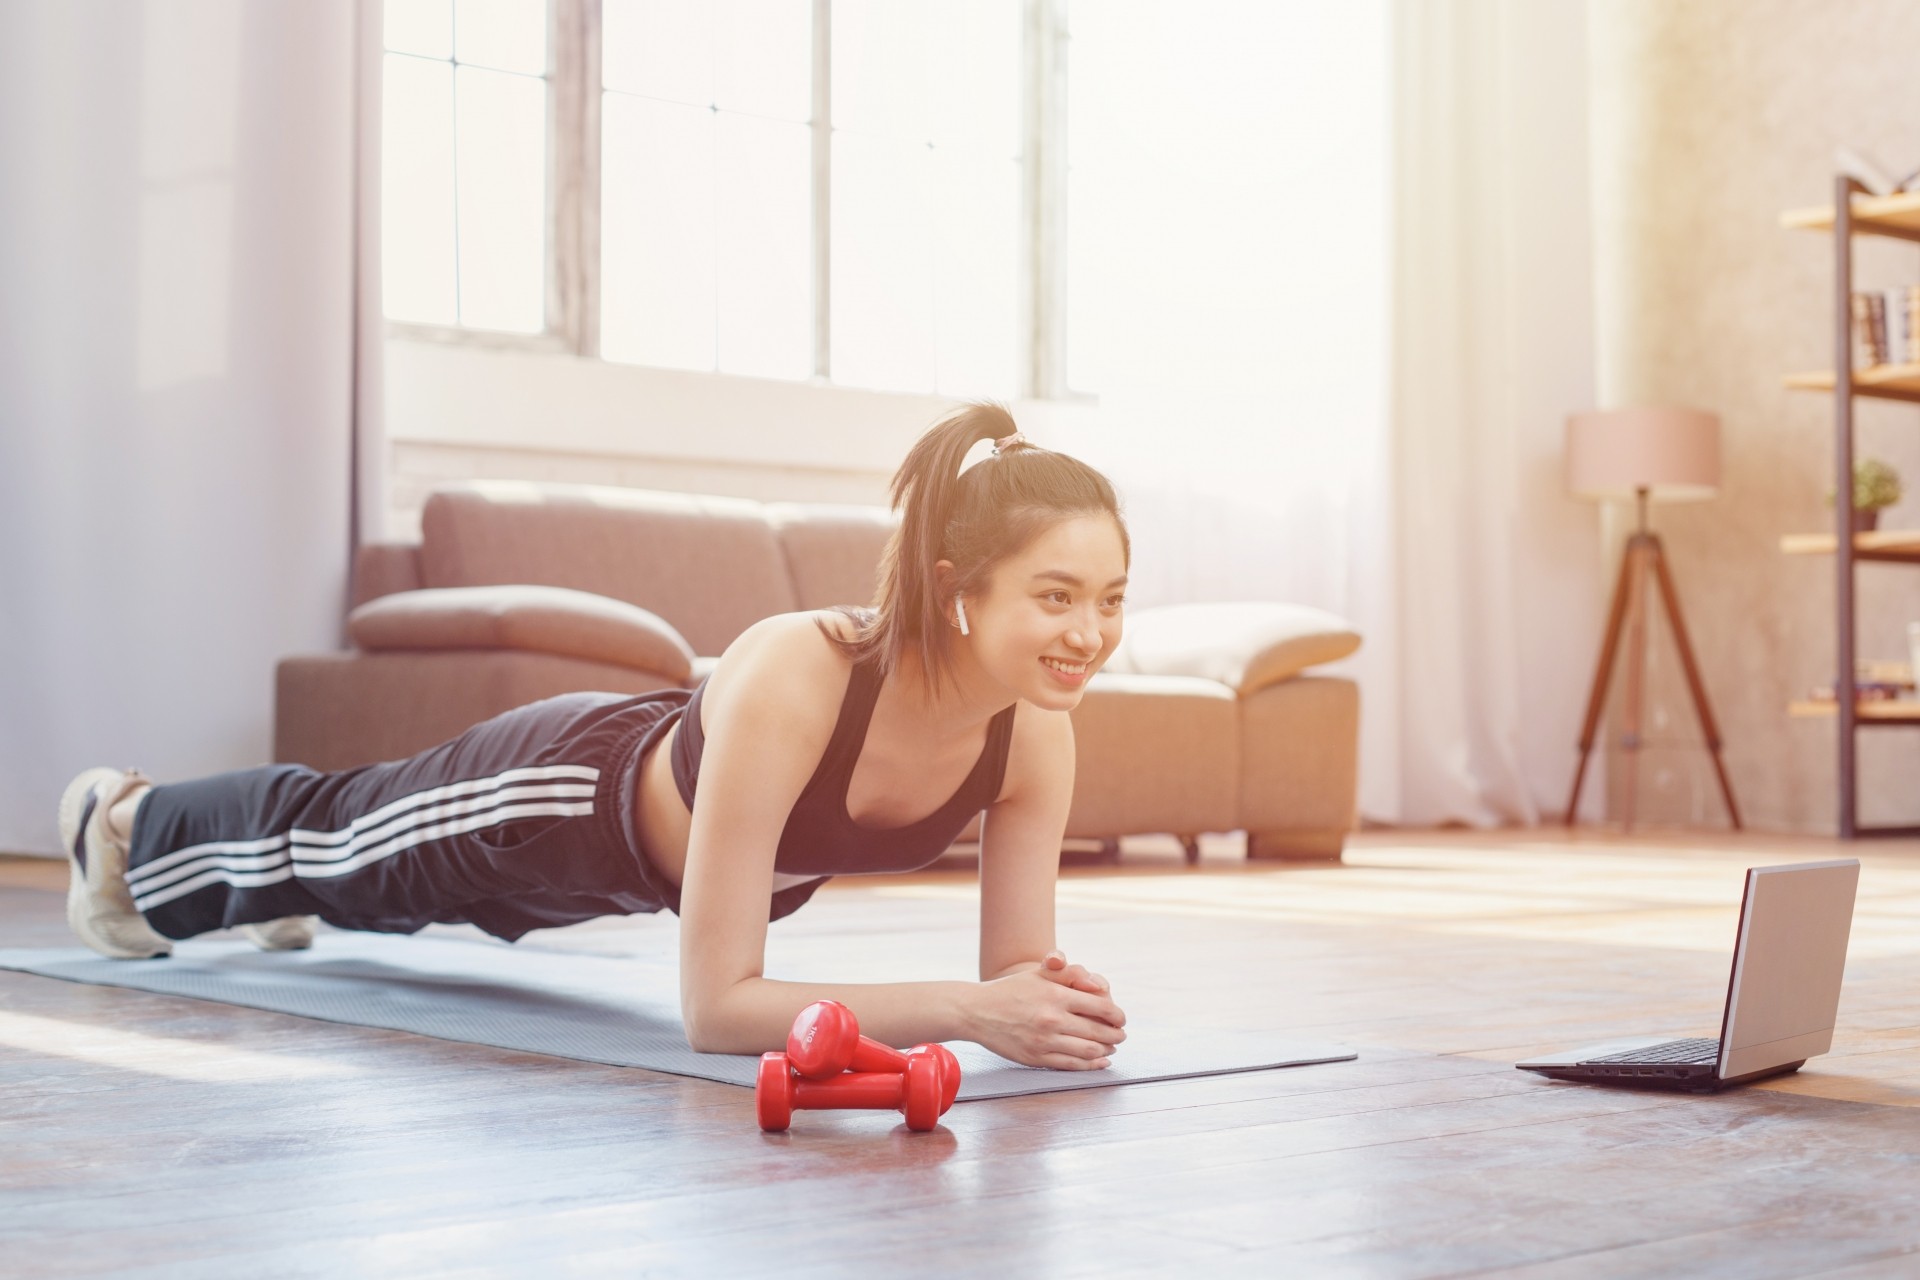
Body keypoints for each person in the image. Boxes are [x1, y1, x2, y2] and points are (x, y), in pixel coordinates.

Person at [58, 403, 1131, 1070]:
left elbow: (1015, 977)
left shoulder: (1033, 733)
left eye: (1112, 597)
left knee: (364, 888)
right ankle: (121, 819)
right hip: (558, 798)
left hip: (620, 878)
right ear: (958, 591)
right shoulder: (801, 670)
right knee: (341, 840)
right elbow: (718, 1009)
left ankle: (284, 884)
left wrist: (1052, 1007)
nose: (1090, 633)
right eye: (1055, 595)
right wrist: (968, 1010)